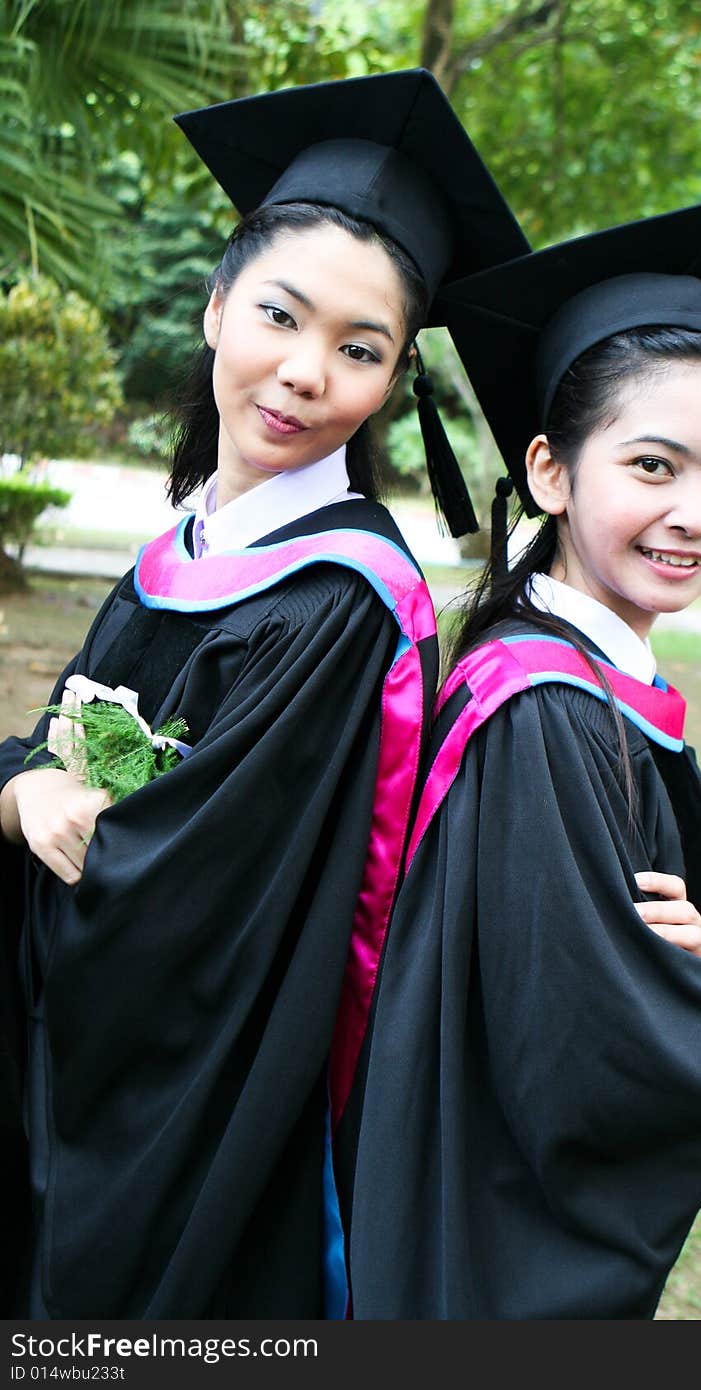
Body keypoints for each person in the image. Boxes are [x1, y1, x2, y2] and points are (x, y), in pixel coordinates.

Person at [0, 68, 528, 1319]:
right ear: (215, 305)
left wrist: (61, 824)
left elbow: (194, 896)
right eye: (280, 318)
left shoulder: (340, 599)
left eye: (358, 350)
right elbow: (68, 730)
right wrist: (24, 786)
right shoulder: (185, 545)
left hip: (200, 1102)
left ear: (393, 380)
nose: (303, 372)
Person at [348, 196, 701, 1319]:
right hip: (484, 1247)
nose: (697, 512)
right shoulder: (542, 706)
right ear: (550, 471)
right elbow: (594, 1071)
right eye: (654, 466)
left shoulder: (582, 678)